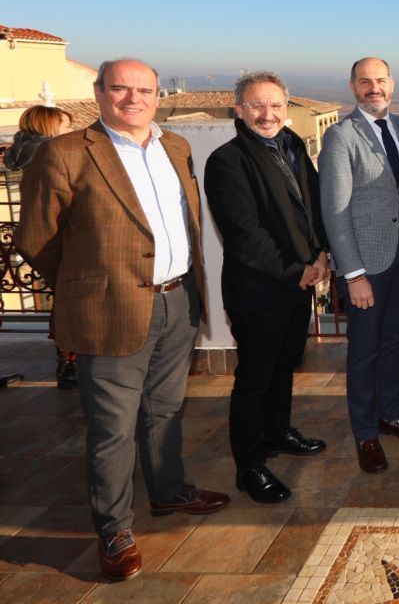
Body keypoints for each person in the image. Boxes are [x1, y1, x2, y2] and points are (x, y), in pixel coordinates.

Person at [15, 59, 229, 582]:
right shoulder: (64, 153)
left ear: (158, 95)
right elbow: (38, 239)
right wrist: (88, 284)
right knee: (112, 429)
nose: (132, 99)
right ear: (99, 92)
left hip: (177, 301)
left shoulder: (174, 146)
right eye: (120, 89)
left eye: (144, 90)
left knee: (166, 410)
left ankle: (167, 490)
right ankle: (114, 529)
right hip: (108, 312)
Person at [204, 72, 329, 504]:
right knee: (254, 380)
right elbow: (244, 234)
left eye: (275, 105)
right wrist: (297, 269)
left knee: (283, 367)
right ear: (239, 110)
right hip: (259, 291)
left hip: (297, 284)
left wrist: (322, 254)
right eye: (257, 105)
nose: (267, 114)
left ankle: (277, 434)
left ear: (286, 106)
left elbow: (311, 209)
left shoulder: (292, 148)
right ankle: (249, 466)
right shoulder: (228, 161)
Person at [319, 57, 399, 476]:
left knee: (396, 340)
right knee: (364, 351)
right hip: (367, 263)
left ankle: (391, 413)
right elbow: (335, 212)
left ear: (392, 85)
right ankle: (366, 432)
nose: (373, 88)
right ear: (353, 87)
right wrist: (353, 274)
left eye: (380, 81)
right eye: (365, 82)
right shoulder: (340, 137)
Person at [4, 104, 77, 388]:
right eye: (65, 125)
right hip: (59, 240)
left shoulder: (22, 152)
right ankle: (70, 363)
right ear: (49, 126)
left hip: (45, 241)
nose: (71, 130)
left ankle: (67, 361)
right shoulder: (50, 155)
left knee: (63, 305)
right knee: (71, 307)